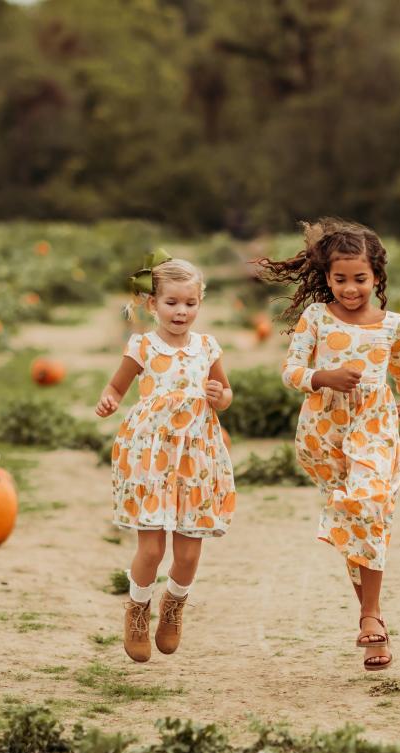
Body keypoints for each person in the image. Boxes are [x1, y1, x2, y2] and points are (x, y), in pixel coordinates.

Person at [259, 219, 400, 671]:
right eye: (340, 279)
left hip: (374, 427)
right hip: (323, 434)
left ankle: (370, 615)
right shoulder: (315, 319)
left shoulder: (393, 325)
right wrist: (322, 377)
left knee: (368, 505)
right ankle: (375, 625)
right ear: (327, 277)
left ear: (377, 277)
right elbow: (291, 372)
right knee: (355, 519)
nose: (350, 288)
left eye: (360, 279)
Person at [96, 251, 236, 663]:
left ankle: (174, 605)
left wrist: (220, 396)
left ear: (200, 303)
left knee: (189, 552)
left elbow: (225, 395)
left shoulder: (208, 348)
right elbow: (116, 389)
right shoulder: (142, 346)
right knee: (153, 548)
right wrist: (107, 401)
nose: (181, 311)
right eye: (172, 303)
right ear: (152, 304)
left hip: (196, 455)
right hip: (151, 457)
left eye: (190, 303)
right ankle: (138, 609)